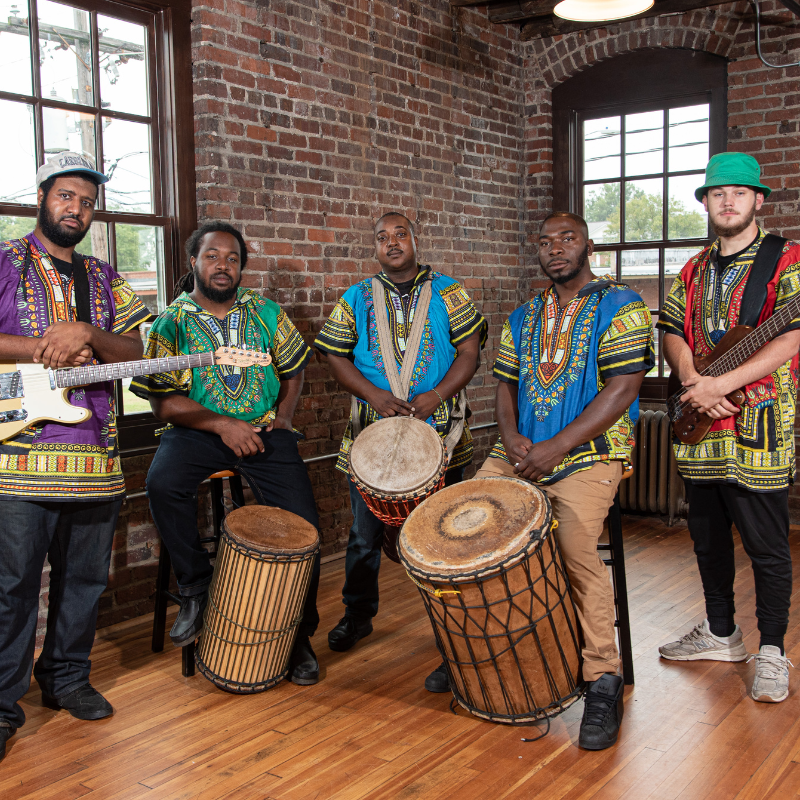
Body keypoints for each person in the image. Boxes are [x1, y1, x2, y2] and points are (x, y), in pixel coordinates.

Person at [474, 211, 653, 750]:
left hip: (590, 455)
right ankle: (485, 654)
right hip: (520, 453)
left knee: (573, 543)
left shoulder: (622, 305)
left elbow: (622, 389)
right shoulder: (522, 316)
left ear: (589, 245)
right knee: (466, 528)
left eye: (567, 239)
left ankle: (602, 676)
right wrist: (511, 440)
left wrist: (557, 447)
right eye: (546, 241)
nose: (555, 249)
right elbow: (504, 387)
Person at [0, 152, 153, 763]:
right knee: (11, 586)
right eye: (66, 197)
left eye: (87, 202)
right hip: (17, 456)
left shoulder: (104, 276)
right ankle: (2, 705)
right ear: (42, 198)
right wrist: (44, 346)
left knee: (84, 579)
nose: (77, 210)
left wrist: (89, 332)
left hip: (95, 456)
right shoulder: (8, 262)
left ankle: (65, 678)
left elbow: (137, 347)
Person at [130, 221, 322, 686]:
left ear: (241, 268)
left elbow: (293, 370)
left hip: (263, 431)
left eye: (233, 258)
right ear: (193, 261)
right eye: (213, 255)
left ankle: (297, 639)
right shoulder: (170, 322)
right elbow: (162, 403)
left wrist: (284, 418)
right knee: (162, 483)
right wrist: (220, 424)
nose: (223, 265)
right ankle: (197, 587)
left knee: (304, 526)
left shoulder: (266, 313)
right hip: (196, 430)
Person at [314, 212, 486, 691]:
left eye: (400, 234)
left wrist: (436, 395)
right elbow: (333, 354)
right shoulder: (357, 297)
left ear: (416, 239)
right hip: (372, 440)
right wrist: (373, 396)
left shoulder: (451, 292)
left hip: (442, 437)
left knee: (445, 543)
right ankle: (357, 614)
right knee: (363, 538)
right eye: (381, 237)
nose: (391, 243)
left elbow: (470, 351)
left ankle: (453, 636)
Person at [657, 152, 800, 704]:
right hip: (700, 423)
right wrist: (694, 377)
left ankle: (771, 649)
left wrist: (724, 383)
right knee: (708, 538)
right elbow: (671, 327)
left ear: (758, 200)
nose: (728, 201)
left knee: (766, 545)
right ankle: (722, 634)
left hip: (760, 422)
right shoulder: (691, 268)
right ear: (708, 203)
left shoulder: (786, 260)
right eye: (718, 193)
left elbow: (790, 339)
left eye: (739, 192)